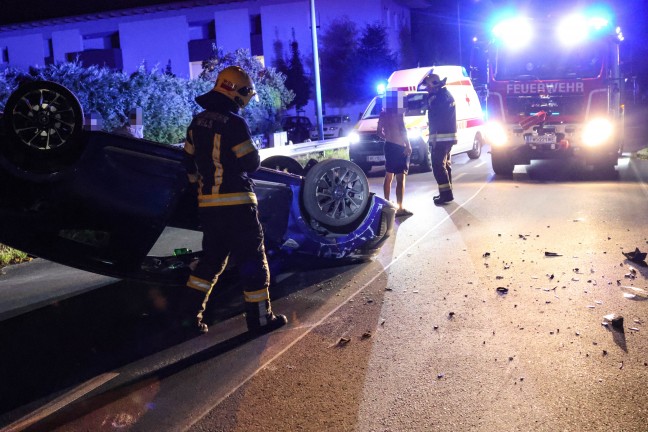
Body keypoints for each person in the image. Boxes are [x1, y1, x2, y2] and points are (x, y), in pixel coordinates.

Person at [178, 65, 288, 336]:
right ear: (238, 92)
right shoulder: (235, 123)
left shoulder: (197, 123)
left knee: (210, 263)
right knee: (253, 261)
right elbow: (251, 163)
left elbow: (188, 164)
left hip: (209, 209)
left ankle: (188, 320)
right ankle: (260, 320)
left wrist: (200, 191)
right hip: (238, 206)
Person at [377, 90, 413, 217]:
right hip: (399, 147)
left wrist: (388, 137)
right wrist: (408, 145)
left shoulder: (383, 113)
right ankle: (400, 208)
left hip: (388, 146)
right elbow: (403, 130)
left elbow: (379, 132)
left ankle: (387, 203)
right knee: (400, 178)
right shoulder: (399, 114)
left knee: (388, 176)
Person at [424, 73, 457, 205]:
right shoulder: (446, 95)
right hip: (447, 137)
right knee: (445, 165)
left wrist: (430, 99)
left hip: (441, 138)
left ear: (435, 84)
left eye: (428, 86)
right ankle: (447, 192)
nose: (427, 89)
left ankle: (446, 195)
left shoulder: (439, 98)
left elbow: (436, 117)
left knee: (438, 165)